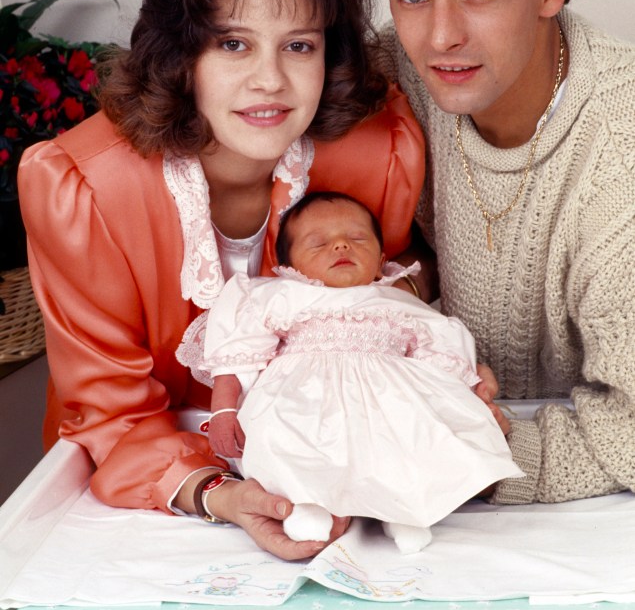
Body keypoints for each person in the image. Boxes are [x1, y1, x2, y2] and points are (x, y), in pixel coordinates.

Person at [18, 0, 426, 560]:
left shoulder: (379, 151)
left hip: (338, 460)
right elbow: (110, 414)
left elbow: (392, 294)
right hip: (151, 487)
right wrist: (220, 494)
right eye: (232, 42)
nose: (270, 79)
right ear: (181, 56)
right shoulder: (82, 189)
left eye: (299, 45)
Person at [369, 0, 635, 507]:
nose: (440, 36)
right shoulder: (388, 71)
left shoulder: (621, 150)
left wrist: (478, 456)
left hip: (584, 509)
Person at [187, 191, 522, 555]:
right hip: (302, 399)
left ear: (381, 261)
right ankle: (307, 504)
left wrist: (467, 393)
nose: (341, 245)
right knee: (285, 437)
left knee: (409, 436)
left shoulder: (397, 301)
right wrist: (224, 411)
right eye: (318, 243)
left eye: (358, 239)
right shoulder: (282, 296)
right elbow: (237, 357)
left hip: (385, 397)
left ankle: (405, 510)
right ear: (289, 267)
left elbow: (439, 348)